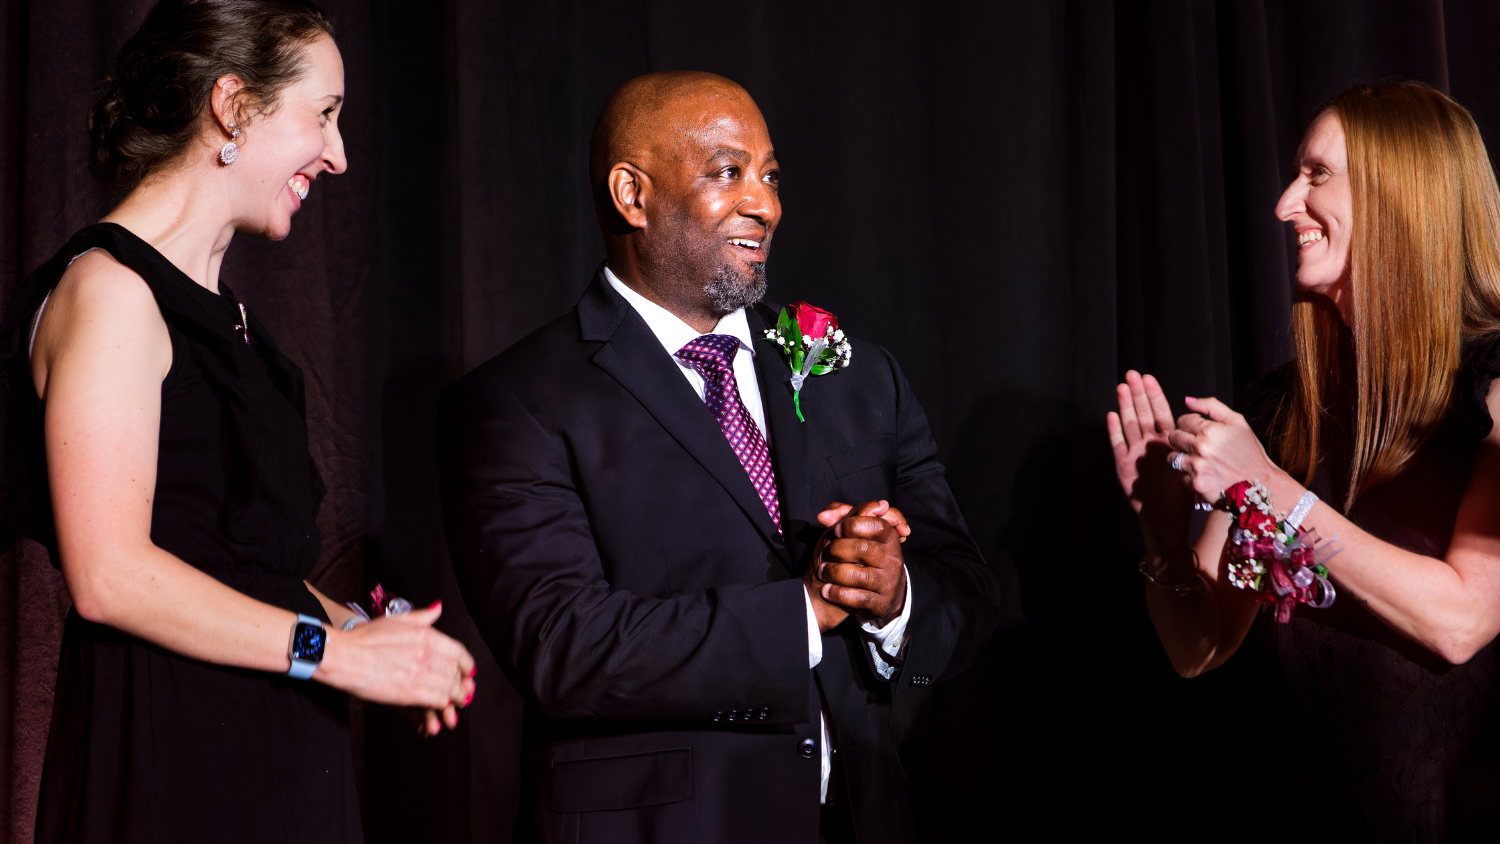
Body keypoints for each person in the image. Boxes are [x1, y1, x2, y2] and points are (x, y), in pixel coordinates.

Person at [438, 71, 1001, 844]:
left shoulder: (859, 377)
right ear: (631, 195)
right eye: (727, 172)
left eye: (770, 176)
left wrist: (894, 594)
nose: (764, 204)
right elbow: (561, 647)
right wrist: (804, 611)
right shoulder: (516, 402)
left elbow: (968, 600)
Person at [4, 2, 477, 841]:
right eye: (323, 115)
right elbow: (110, 575)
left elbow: (235, 566)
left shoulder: (225, 319)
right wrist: (336, 656)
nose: (337, 155)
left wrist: (370, 636)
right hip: (167, 758)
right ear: (233, 105)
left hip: (271, 750)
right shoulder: (111, 294)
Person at [1108, 80, 1500, 840]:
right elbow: (1199, 649)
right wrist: (1161, 530)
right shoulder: (1282, 411)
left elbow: (1460, 621)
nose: (1286, 203)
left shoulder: (1492, 388)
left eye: (1317, 174)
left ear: (1400, 194)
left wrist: (1269, 488)